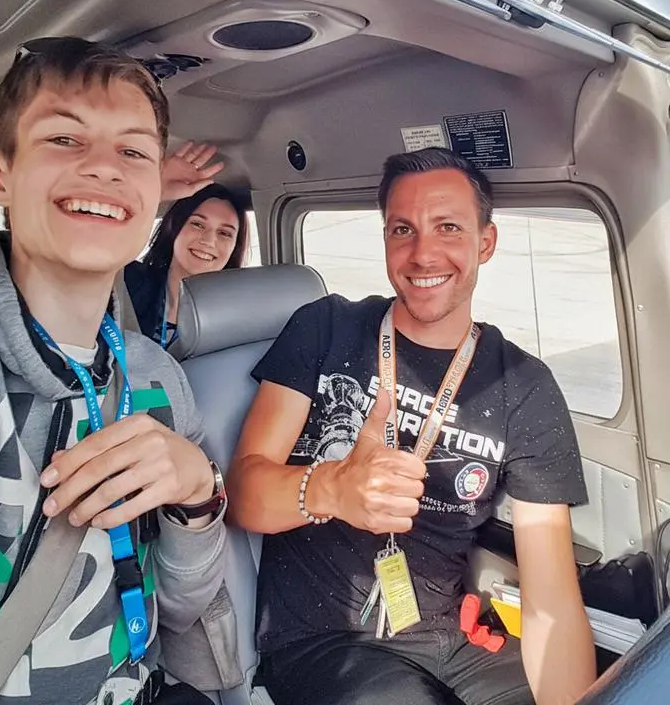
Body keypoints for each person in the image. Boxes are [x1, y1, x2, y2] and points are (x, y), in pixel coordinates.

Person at [0, 36, 232, 705]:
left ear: (155, 189)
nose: (104, 168)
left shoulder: (159, 379)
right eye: (65, 139)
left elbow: (181, 611)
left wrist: (197, 491)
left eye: (133, 152)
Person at [227, 148, 596, 705]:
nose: (423, 254)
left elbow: (552, 603)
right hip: (326, 640)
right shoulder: (326, 327)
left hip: (450, 639)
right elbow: (241, 494)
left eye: (448, 227)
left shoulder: (524, 386)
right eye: (403, 229)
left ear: (486, 243)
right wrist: (332, 487)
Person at [125, 181, 250, 347]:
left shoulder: (240, 318)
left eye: (224, 233)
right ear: (174, 227)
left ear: (234, 247)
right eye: (198, 224)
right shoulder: (127, 281)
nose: (209, 241)